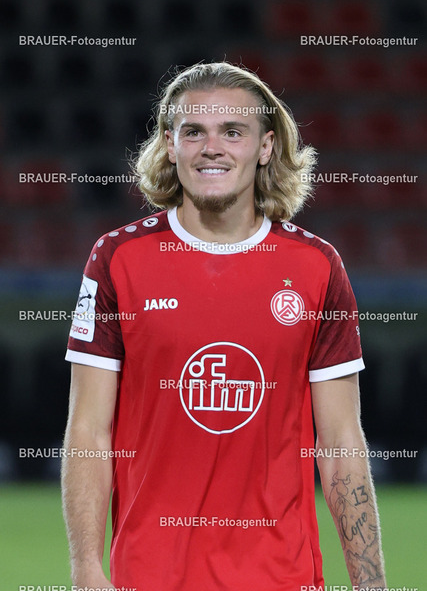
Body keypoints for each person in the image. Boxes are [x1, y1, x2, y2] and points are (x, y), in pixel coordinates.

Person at [62, 61, 387, 591]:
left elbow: (340, 441)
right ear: (170, 145)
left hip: (283, 577)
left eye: (233, 131)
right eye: (194, 131)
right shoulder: (116, 259)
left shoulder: (318, 267)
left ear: (265, 147)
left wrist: (370, 583)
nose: (211, 148)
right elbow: (88, 432)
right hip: (149, 577)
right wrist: (84, 567)